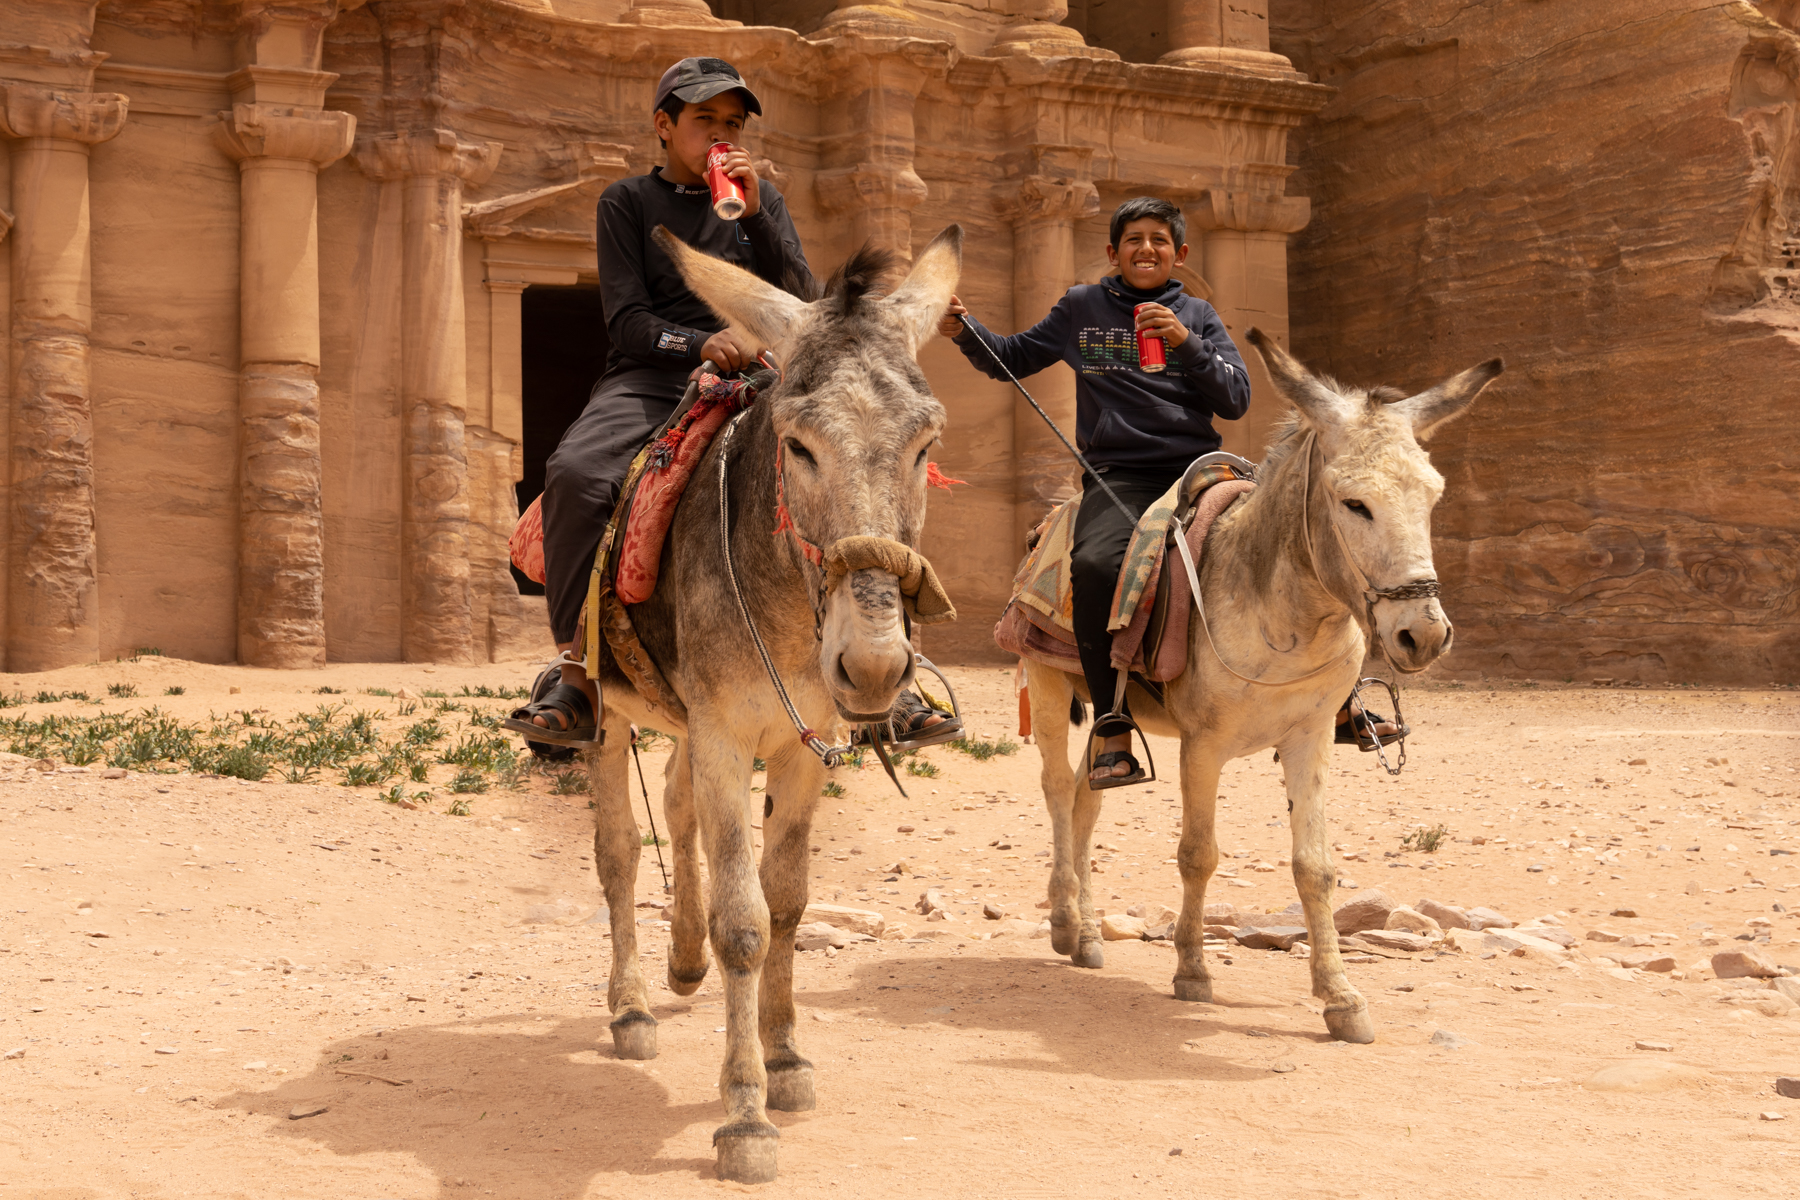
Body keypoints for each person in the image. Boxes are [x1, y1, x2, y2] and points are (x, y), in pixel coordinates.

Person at [942, 197, 1399, 786]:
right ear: (1112, 252)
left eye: (1159, 239)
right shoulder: (1083, 308)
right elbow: (1012, 359)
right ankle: (1112, 722)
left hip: (1202, 465)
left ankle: (1343, 699)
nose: (1146, 249)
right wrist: (963, 329)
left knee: (1304, 539)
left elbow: (1235, 399)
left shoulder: (1199, 315)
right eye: (1133, 239)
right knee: (1095, 561)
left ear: (1179, 255)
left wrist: (1187, 341)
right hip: (1123, 475)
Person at [513, 57, 814, 746]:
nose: (720, 134)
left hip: (760, 381)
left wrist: (764, 215)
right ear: (664, 124)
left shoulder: (758, 205)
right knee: (577, 474)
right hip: (654, 378)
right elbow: (628, 322)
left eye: (732, 123)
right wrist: (698, 344)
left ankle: (893, 668)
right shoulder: (626, 202)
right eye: (704, 118)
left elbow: (805, 299)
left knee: (852, 459)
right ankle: (578, 672)